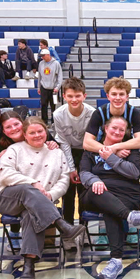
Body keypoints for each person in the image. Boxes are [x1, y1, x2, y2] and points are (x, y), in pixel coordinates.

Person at [0, 116, 85, 279]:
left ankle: (28, 266)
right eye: (32, 132)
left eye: (40, 131)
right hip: (7, 198)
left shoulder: (56, 152)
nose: (37, 135)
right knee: (28, 189)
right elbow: (4, 174)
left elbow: (64, 179)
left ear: (46, 132)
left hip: (39, 204)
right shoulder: (14, 149)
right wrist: (33, 183)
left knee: (30, 214)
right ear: (25, 135)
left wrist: (50, 196)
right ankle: (61, 225)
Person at [79, 116, 140, 279]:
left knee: (111, 210)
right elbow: (83, 173)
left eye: (121, 130)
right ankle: (131, 217)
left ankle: (116, 261)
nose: (117, 132)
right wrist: (95, 180)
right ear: (105, 128)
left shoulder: (130, 149)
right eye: (114, 128)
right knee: (96, 192)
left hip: (126, 194)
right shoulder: (91, 149)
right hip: (97, 193)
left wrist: (111, 158)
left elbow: (135, 173)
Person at [51, 77, 96, 226]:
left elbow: (92, 141)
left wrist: (81, 167)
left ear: (84, 96)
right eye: (70, 96)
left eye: (78, 96)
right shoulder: (58, 114)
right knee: (67, 190)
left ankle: (84, 227)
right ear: (64, 96)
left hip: (87, 150)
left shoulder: (92, 113)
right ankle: (68, 227)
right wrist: (71, 168)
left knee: (84, 189)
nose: (74, 99)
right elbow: (63, 142)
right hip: (67, 149)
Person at [83, 77, 140, 153]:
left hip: (127, 150)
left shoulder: (133, 113)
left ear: (127, 97)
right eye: (114, 94)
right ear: (108, 96)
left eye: (121, 94)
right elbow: (87, 142)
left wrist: (116, 147)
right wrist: (111, 151)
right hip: (103, 148)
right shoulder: (99, 113)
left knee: (135, 162)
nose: (118, 98)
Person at [37, 49, 63, 123]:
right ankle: (44, 120)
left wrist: (57, 87)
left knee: (53, 105)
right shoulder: (41, 63)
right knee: (43, 104)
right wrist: (39, 87)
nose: (42, 57)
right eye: (41, 56)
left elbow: (60, 77)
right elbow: (39, 76)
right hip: (44, 87)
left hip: (53, 88)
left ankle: (54, 120)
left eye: (43, 56)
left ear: (48, 55)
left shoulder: (56, 64)